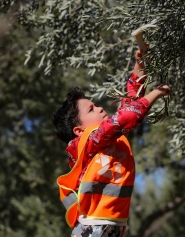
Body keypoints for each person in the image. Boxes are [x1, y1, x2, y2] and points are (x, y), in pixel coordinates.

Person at [52, 48, 170, 237]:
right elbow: (126, 117)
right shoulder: (91, 140)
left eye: (95, 105)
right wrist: (155, 93)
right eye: (91, 109)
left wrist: (140, 65)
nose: (99, 108)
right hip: (94, 228)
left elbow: (131, 102)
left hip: (110, 227)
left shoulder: (104, 140)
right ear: (79, 131)